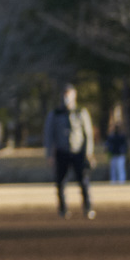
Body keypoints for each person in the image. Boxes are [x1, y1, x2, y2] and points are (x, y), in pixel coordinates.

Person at [44, 83, 96, 219]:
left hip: (78, 152)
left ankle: (88, 208)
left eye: (69, 94)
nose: (67, 98)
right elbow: (49, 135)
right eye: (65, 95)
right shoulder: (55, 114)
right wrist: (49, 155)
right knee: (60, 183)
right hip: (62, 152)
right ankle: (63, 210)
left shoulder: (81, 112)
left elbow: (88, 134)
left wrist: (89, 153)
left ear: (75, 95)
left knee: (83, 181)